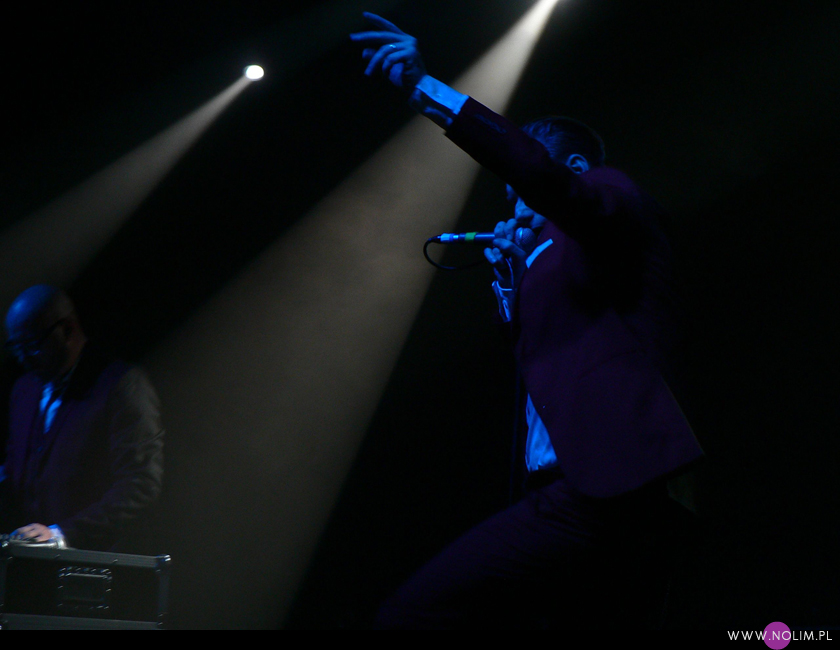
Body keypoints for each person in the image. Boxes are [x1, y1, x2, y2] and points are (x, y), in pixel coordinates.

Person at [351, 13, 704, 628]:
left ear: (572, 169)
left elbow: (539, 176)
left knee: (412, 612)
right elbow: (550, 367)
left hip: (620, 485)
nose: (513, 207)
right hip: (584, 487)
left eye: (520, 192)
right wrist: (513, 286)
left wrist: (425, 90)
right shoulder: (547, 264)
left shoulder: (608, 193)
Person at [0, 285, 164, 551]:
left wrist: (63, 534)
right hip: (31, 564)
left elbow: (140, 484)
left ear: (67, 330)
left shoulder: (121, 386)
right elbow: (16, 472)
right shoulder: (25, 390)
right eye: (16, 347)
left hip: (93, 561)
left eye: (30, 345)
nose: (22, 358)